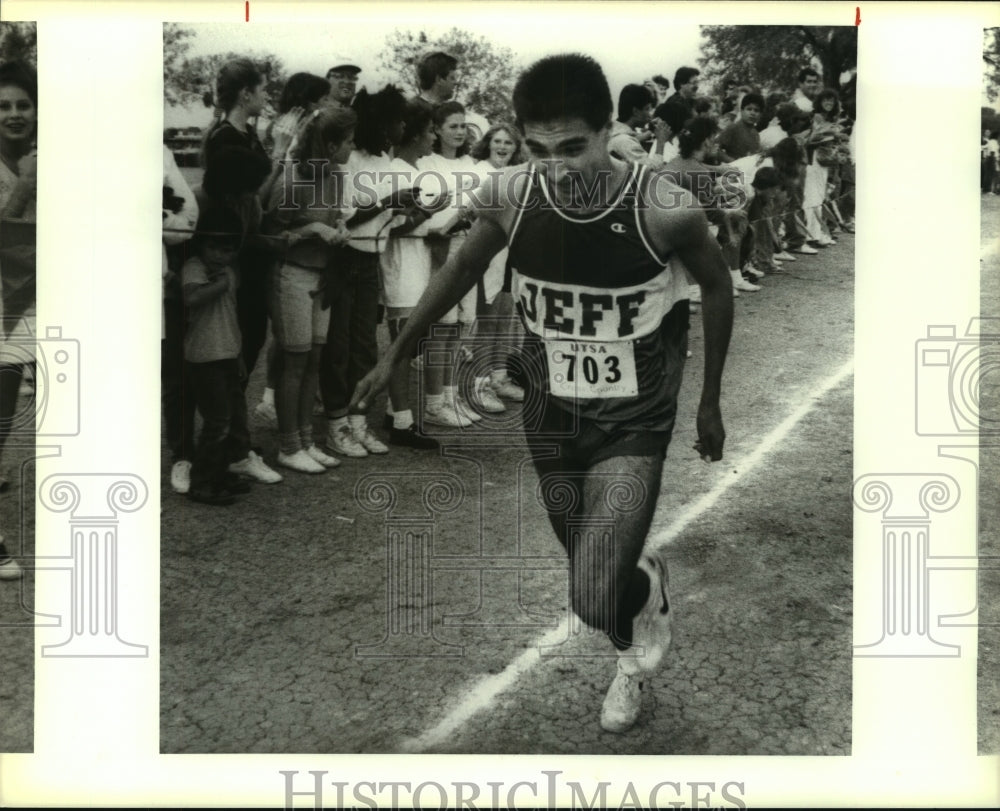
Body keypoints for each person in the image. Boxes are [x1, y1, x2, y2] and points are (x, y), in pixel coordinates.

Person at [351, 53, 733, 734]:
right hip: (551, 412)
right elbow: (463, 268)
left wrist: (709, 400)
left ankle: (634, 641)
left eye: (574, 148)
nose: (557, 167)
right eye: (538, 149)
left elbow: (717, 285)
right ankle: (634, 596)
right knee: (593, 568)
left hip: (633, 417)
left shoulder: (664, 208)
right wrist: (394, 354)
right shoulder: (512, 194)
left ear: (606, 129)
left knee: (590, 594)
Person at [320, 85, 411, 456]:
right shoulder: (351, 160)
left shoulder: (387, 163)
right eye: (396, 121)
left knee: (364, 347)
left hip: (372, 260)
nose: (401, 127)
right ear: (380, 123)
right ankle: (336, 425)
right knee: (338, 346)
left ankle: (359, 422)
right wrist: (389, 201)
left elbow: (389, 219)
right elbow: (348, 218)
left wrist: (412, 209)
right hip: (345, 260)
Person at [267, 108, 355, 473]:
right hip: (291, 275)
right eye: (349, 141)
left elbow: (334, 220)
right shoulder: (292, 180)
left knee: (314, 362)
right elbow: (269, 236)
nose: (353, 147)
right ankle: (289, 445)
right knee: (295, 361)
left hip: (322, 278)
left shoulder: (337, 176)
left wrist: (340, 231)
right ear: (332, 144)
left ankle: (306, 440)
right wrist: (312, 231)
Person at [377, 99, 448, 447]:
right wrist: (429, 211)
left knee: (416, 341)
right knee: (403, 344)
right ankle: (402, 422)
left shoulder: (418, 172)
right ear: (416, 134)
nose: (434, 136)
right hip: (401, 265)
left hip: (420, 263)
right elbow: (395, 228)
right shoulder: (393, 171)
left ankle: (395, 410)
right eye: (431, 130)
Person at [182, 206, 261, 505]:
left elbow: (231, 314)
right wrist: (219, 284)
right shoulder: (195, 267)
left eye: (226, 250)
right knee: (218, 422)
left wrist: (239, 354)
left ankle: (221, 472)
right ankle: (201, 483)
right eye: (213, 247)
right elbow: (191, 297)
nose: (219, 254)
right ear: (202, 244)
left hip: (228, 351)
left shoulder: (228, 270)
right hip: (204, 356)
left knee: (235, 419)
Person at [416, 101, 481, 426]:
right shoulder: (427, 163)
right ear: (437, 128)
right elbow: (425, 210)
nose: (459, 132)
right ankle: (433, 402)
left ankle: (452, 395)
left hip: (468, 248)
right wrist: (443, 226)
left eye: (462, 126)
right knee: (440, 326)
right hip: (438, 248)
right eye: (452, 126)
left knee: (459, 326)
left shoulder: (472, 163)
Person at [0, 60, 36, 578]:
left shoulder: (53, 159)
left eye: (23, 104)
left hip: (45, 298)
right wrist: (25, 188)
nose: (13, 114)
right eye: (4, 106)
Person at [467, 122, 527, 410]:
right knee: (488, 321)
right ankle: (479, 385)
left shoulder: (515, 175)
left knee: (505, 318)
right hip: (488, 255)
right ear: (488, 143)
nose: (502, 147)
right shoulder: (479, 172)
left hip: (510, 255)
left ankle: (499, 378)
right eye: (497, 142)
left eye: (508, 143)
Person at [162, 144, 199, 495]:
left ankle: (182, 453)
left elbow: (187, 223)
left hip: (160, 286)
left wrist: (158, 218)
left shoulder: (159, 153)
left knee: (176, 374)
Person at [607, 84, 657, 165]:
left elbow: (634, 136)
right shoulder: (626, 142)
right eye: (647, 109)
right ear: (635, 111)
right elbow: (652, 172)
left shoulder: (612, 132)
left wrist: (651, 129)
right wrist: (661, 143)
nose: (650, 115)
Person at [716, 92, 764, 162]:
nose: (752, 113)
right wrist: (732, 162)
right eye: (749, 109)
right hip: (734, 169)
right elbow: (715, 148)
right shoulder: (733, 128)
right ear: (742, 111)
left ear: (760, 115)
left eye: (756, 110)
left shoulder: (756, 134)